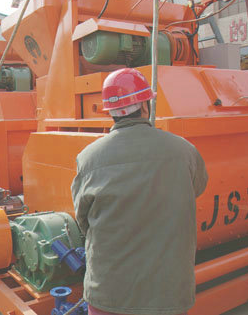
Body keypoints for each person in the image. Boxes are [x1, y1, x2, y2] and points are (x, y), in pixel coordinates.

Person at [71, 68, 209, 315]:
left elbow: (83, 220)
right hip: (168, 294)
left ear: (110, 111)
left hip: (109, 293)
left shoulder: (88, 158)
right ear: (145, 105)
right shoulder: (184, 151)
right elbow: (197, 188)